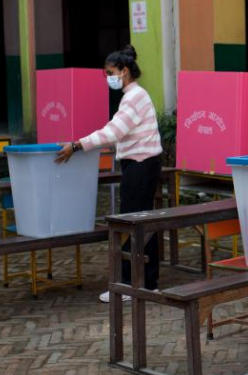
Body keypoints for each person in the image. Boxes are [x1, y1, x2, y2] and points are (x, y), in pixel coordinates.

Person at [55, 45, 163, 302]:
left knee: (132, 224)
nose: (108, 78)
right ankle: (147, 282)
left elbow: (113, 132)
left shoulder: (134, 97)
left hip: (140, 165)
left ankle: (130, 283)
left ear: (125, 71)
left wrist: (77, 145)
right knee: (143, 223)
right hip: (142, 163)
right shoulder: (134, 96)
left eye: (111, 72)